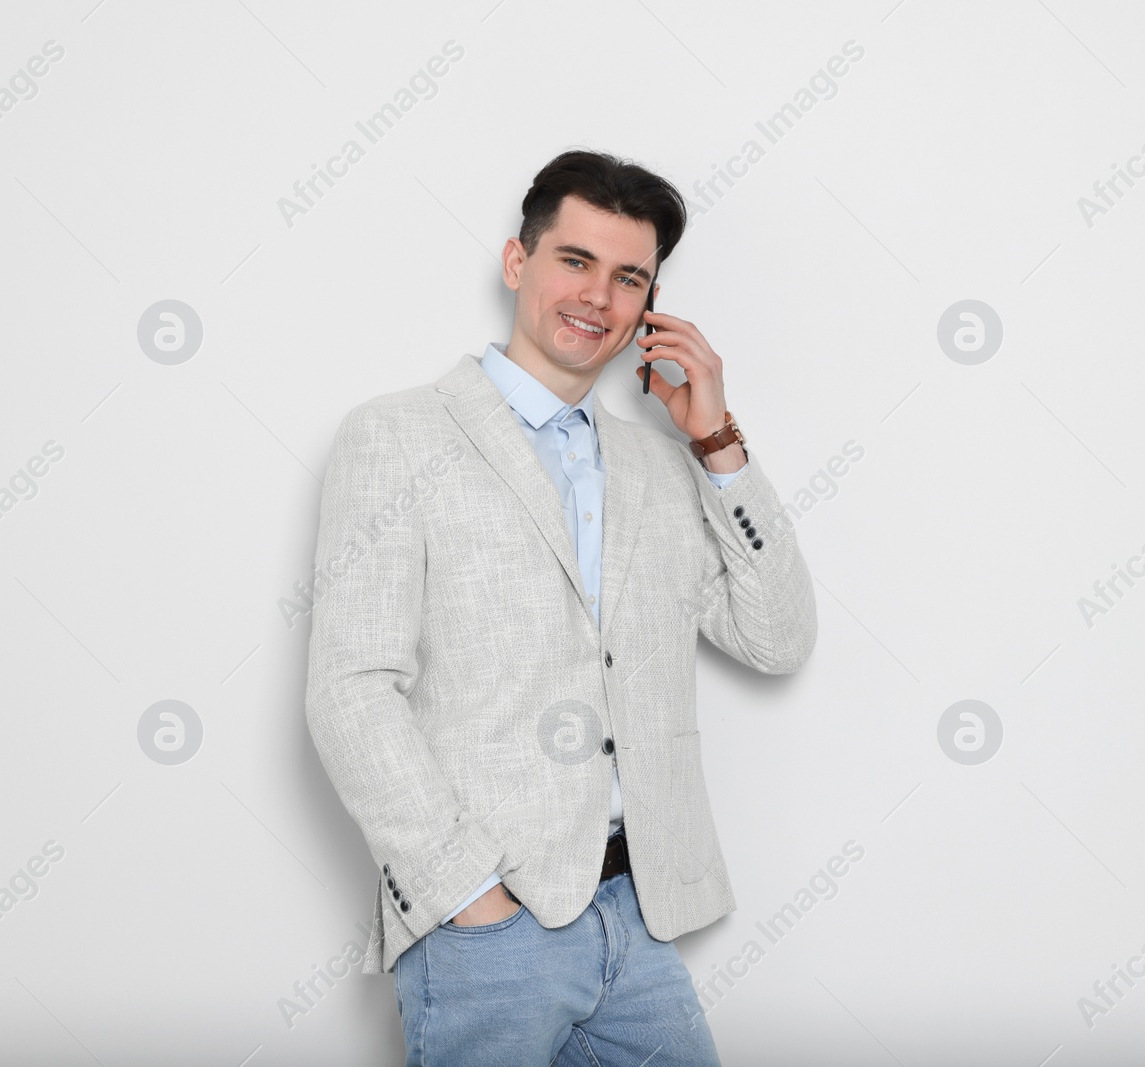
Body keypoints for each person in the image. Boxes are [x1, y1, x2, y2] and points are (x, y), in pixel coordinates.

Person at [304, 148, 818, 1065]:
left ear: (648, 307)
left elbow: (775, 638)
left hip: (641, 915)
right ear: (518, 264)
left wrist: (716, 440)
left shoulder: (662, 471)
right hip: (489, 926)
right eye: (575, 261)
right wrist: (466, 892)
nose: (597, 297)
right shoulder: (397, 434)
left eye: (628, 277)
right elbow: (352, 690)